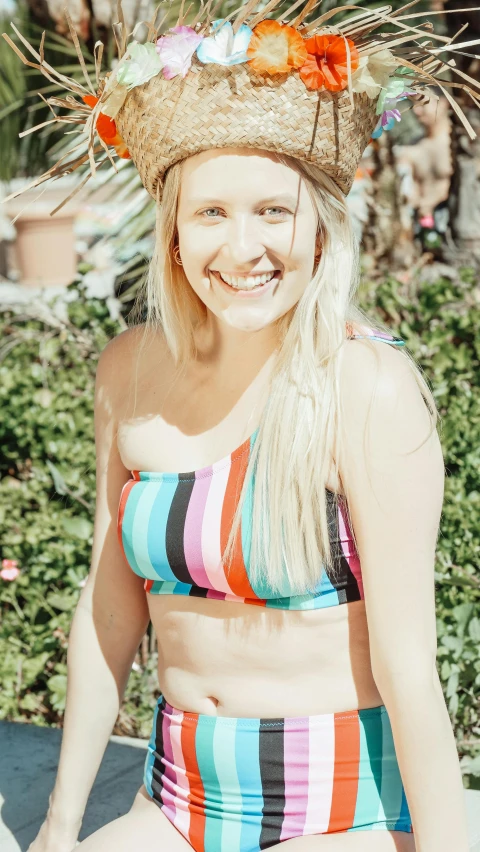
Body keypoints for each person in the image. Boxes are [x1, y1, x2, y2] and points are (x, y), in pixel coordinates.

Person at [4, 2, 477, 851]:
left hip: (336, 811)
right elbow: (110, 610)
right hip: (174, 801)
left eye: (273, 212)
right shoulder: (130, 371)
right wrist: (58, 828)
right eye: (211, 214)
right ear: (175, 234)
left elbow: (411, 666)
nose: (243, 247)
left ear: (319, 231)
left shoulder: (365, 388)